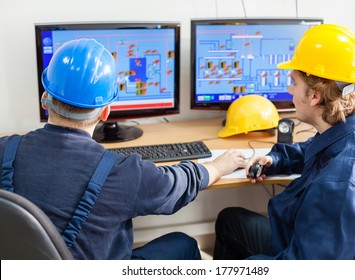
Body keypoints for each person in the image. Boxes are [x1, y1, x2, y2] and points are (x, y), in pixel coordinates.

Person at [0, 38, 246, 260]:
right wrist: (216, 166)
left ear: (45, 98)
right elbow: (176, 185)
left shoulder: (4, 150)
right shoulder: (120, 172)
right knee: (183, 244)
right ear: (106, 111)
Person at [213, 24, 355, 260]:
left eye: (294, 82)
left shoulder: (340, 186)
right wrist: (274, 159)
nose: (289, 90)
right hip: (310, 239)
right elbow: (315, 150)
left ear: (315, 96)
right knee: (230, 220)